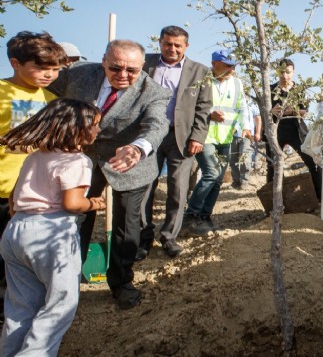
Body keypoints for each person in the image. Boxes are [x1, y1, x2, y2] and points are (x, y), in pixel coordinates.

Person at [48, 39, 171, 310]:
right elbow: (41, 88)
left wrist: (139, 149)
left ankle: (121, 282)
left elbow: (157, 124)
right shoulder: (78, 74)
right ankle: (68, 277)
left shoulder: (153, 91)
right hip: (83, 159)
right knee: (75, 218)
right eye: (115, 68)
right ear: (103, 61)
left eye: (132, 70)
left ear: (142, 68)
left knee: (127, 228)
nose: (123, 75)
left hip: (131, 162)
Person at [0, 99, 104, 356]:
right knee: (61, 304)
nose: (99, 131)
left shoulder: (35, 157)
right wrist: (94, 203)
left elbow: (14, 200)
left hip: (17, 229)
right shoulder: (77, 161)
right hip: (51, 235)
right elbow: (72, 203)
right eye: (95, 125)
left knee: (20, 306)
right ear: (75, 128)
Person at [0, 31, 67, 320]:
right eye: (41, 68)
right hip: (3, 188)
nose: (49, 75)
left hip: (36, 195)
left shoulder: (53, 100)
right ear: (15, 63)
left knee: (22, 257)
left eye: (55, 69)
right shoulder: (2, 92)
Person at [138, 26, 212, 259]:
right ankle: (143, 238)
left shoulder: (200, 71)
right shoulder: (144, 64)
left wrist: (198, 137)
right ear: (160, 42)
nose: (172, 49)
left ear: (186, 46)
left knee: (178, 191)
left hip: (180, 137)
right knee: (144, 188)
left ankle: (169, 237)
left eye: (177, 45)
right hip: (147, 135)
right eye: (167, 43)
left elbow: (203, 107)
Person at [184, 49, 251, 235]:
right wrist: (209, 114)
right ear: (214, 64)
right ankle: (190, 216)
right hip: (205, 137)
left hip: (225, 138)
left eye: (233, 65)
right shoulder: (203, 80)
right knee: (211, 173)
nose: (231, 69)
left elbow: (242, 107)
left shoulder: (237, 83)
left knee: (218, 179)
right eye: (227, 65)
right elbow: (191, 107)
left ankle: (205, 216)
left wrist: (246, 127)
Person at [264, 59, 323, 205]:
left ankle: (321, 196)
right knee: (272, 166)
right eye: (281, 72)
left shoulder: (299, 90)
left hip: (297, 131)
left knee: (312, 162)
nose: (284, 75)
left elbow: (304, 111)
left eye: (288, 72)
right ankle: (271, 200)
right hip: (276, 131)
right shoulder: (270, 89)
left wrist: (288, 111)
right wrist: (270, 111)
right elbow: (263, 110)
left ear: (293, 72)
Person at [232, 98, 260, 188]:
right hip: (232, 135)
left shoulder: (252, 103)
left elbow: (257, 118)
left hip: (248, 135)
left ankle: (245, 181)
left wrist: (258, 132)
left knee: (245, 158)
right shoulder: (231, 100)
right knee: (232, 160)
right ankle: (236, 181)